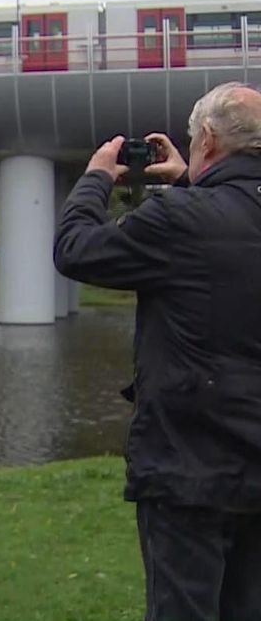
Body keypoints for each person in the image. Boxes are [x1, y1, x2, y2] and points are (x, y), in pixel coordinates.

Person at [54, 81, 261, 621]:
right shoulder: (196, 209)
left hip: (188, 468)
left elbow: (76, 250)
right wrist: (194, 181)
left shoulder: (180, 220)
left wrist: (96, 176)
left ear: (209, 139)